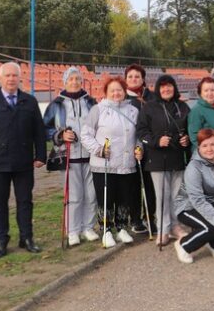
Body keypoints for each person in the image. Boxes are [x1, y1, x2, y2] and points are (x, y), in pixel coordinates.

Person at [0, 62, 47, 257]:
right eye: (7, 76)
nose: (11, 79)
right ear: (0, 78)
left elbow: (39, 132)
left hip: (23, 162)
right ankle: (1, 239)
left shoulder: (30, 102)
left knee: (25, 201)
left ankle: (26, 237)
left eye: (15, 75)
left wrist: (40, 155)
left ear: (20, 78)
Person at [80, 76, 140, 248]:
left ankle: (121, 228)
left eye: (119, 89)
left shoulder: (133, 111)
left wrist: (138, 148)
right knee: (105, 198)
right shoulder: (97, 110)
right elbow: (85, 135)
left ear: (124, 91)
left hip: (126, 163)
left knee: (124, 198)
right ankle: (106, 230)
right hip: (104, 164)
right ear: (106, 92)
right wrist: (99, 150)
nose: (116, 93)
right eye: (112, 90)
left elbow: (137, 136)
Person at [43, 66, 98, 246]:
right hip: (69, 156)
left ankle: (88, 227)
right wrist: (60, 135)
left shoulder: (91, 102)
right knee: (74, 195)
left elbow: (100, 124)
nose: (74, 82)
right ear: (65, 82)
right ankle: (73, 230)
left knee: (91, 194)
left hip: (91, 156)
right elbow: (45, 128)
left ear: (82, 81)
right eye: (70, 79)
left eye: (77, 79)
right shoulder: (57, 104)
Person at [136, 75, 191, 246]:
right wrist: (156, 141)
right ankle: (163, 229)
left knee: (176, 195)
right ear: (158, 89)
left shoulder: (182, 106)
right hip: (157, 159)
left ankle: (175, 226)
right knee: (162, 196)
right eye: (163, 87)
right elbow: (142, 131)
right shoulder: (149, 107)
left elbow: (189, 128)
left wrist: (186, 139)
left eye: (169, 86)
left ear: (174, 88)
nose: (166, 90)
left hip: (177, 158)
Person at [172, 128, 214, 263]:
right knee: (212, 226)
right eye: (204, 145)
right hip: (188, 206)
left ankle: (213, 245)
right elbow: (197, 200)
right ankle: (183, 245)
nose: (209, 149)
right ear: (199, 147)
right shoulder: (194, 167)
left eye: (213, 144)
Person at [124, 63, 155, 234]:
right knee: (133, 184)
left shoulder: (152, 97)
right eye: (130, 76)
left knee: (150, 184)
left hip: (151, 147)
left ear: (143, 79)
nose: (134, 79)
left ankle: (150, 217)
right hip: (131, 148)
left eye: (137, 76)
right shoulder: (122, 97)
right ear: (126, 79)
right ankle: (135, 218)